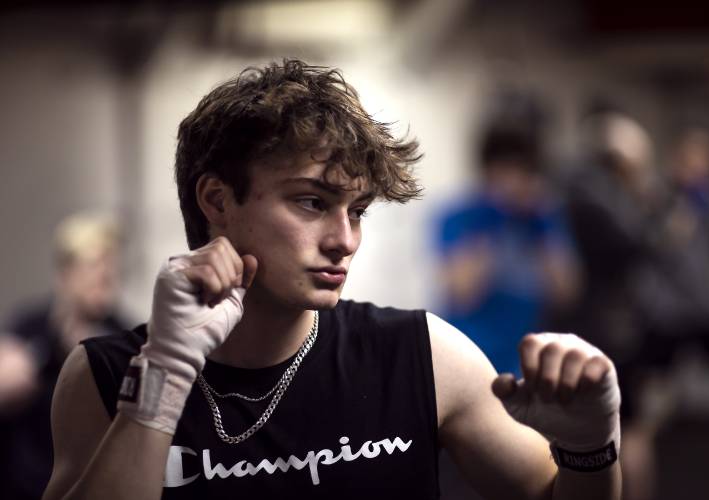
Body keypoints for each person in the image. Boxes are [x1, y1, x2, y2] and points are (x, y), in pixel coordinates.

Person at [42, 60, 621, 500]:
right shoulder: (104, 375)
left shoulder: (424, 354)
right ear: (217, 199)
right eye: (312, 202)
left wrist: (589, 449)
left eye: (358, 211)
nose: (345, 239)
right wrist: (165, 377)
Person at [434, 119, 579, 375]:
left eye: (525, 172)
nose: (517, 181)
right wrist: (491, 223)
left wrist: (544, 232)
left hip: (522, 363)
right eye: (507, 169)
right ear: (488, 169)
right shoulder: (461, 215)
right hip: (465, 359)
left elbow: (566, 294)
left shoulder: (541, 219)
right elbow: (461, 292)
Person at [0, 212, 128, 500]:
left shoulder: (124, 335)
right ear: (65, 274)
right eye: (94, 264)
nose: (105, 274)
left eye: (111, 263)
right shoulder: (30, 326)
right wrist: (44, 354)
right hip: (26, 487)